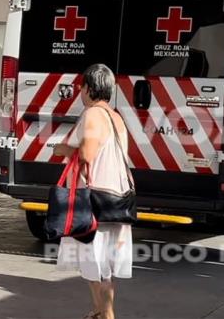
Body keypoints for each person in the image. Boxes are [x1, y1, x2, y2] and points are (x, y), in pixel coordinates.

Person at [53, 64, 132, 319]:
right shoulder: (116, 116)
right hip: (115, 198)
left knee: (92, 261)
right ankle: (99, 311)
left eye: (82, 87)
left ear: (88, 88)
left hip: (93, 199)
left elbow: (87, 153)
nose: (80, 91)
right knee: (103, 266)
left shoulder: (92, 115)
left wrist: (61, 150)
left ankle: (107, 315)